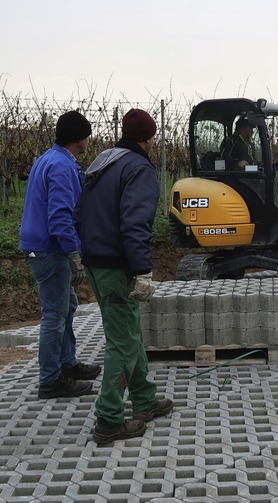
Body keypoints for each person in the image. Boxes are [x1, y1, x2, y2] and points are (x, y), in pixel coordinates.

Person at [74, 108, 173, 445]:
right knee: (122, 342)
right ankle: (109, 419)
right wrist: (142, 268)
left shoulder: (101, 162)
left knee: (129, 331)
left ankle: (144, 400)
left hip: (95, 261)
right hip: (117, 264)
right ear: (148, 138)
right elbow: (135, 224)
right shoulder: (138, 168)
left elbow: (78, 214)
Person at [19, 110, 102, 400]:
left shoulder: (48, 159)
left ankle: (67, 363)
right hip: (50, 250)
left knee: (67, 306)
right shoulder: (62, 167)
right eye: (88, 134)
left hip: (40, 246)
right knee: (54, 315)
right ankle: (50, 380)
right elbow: (59, 217)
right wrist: (74, 255)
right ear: (80, 137)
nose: (90, 139)